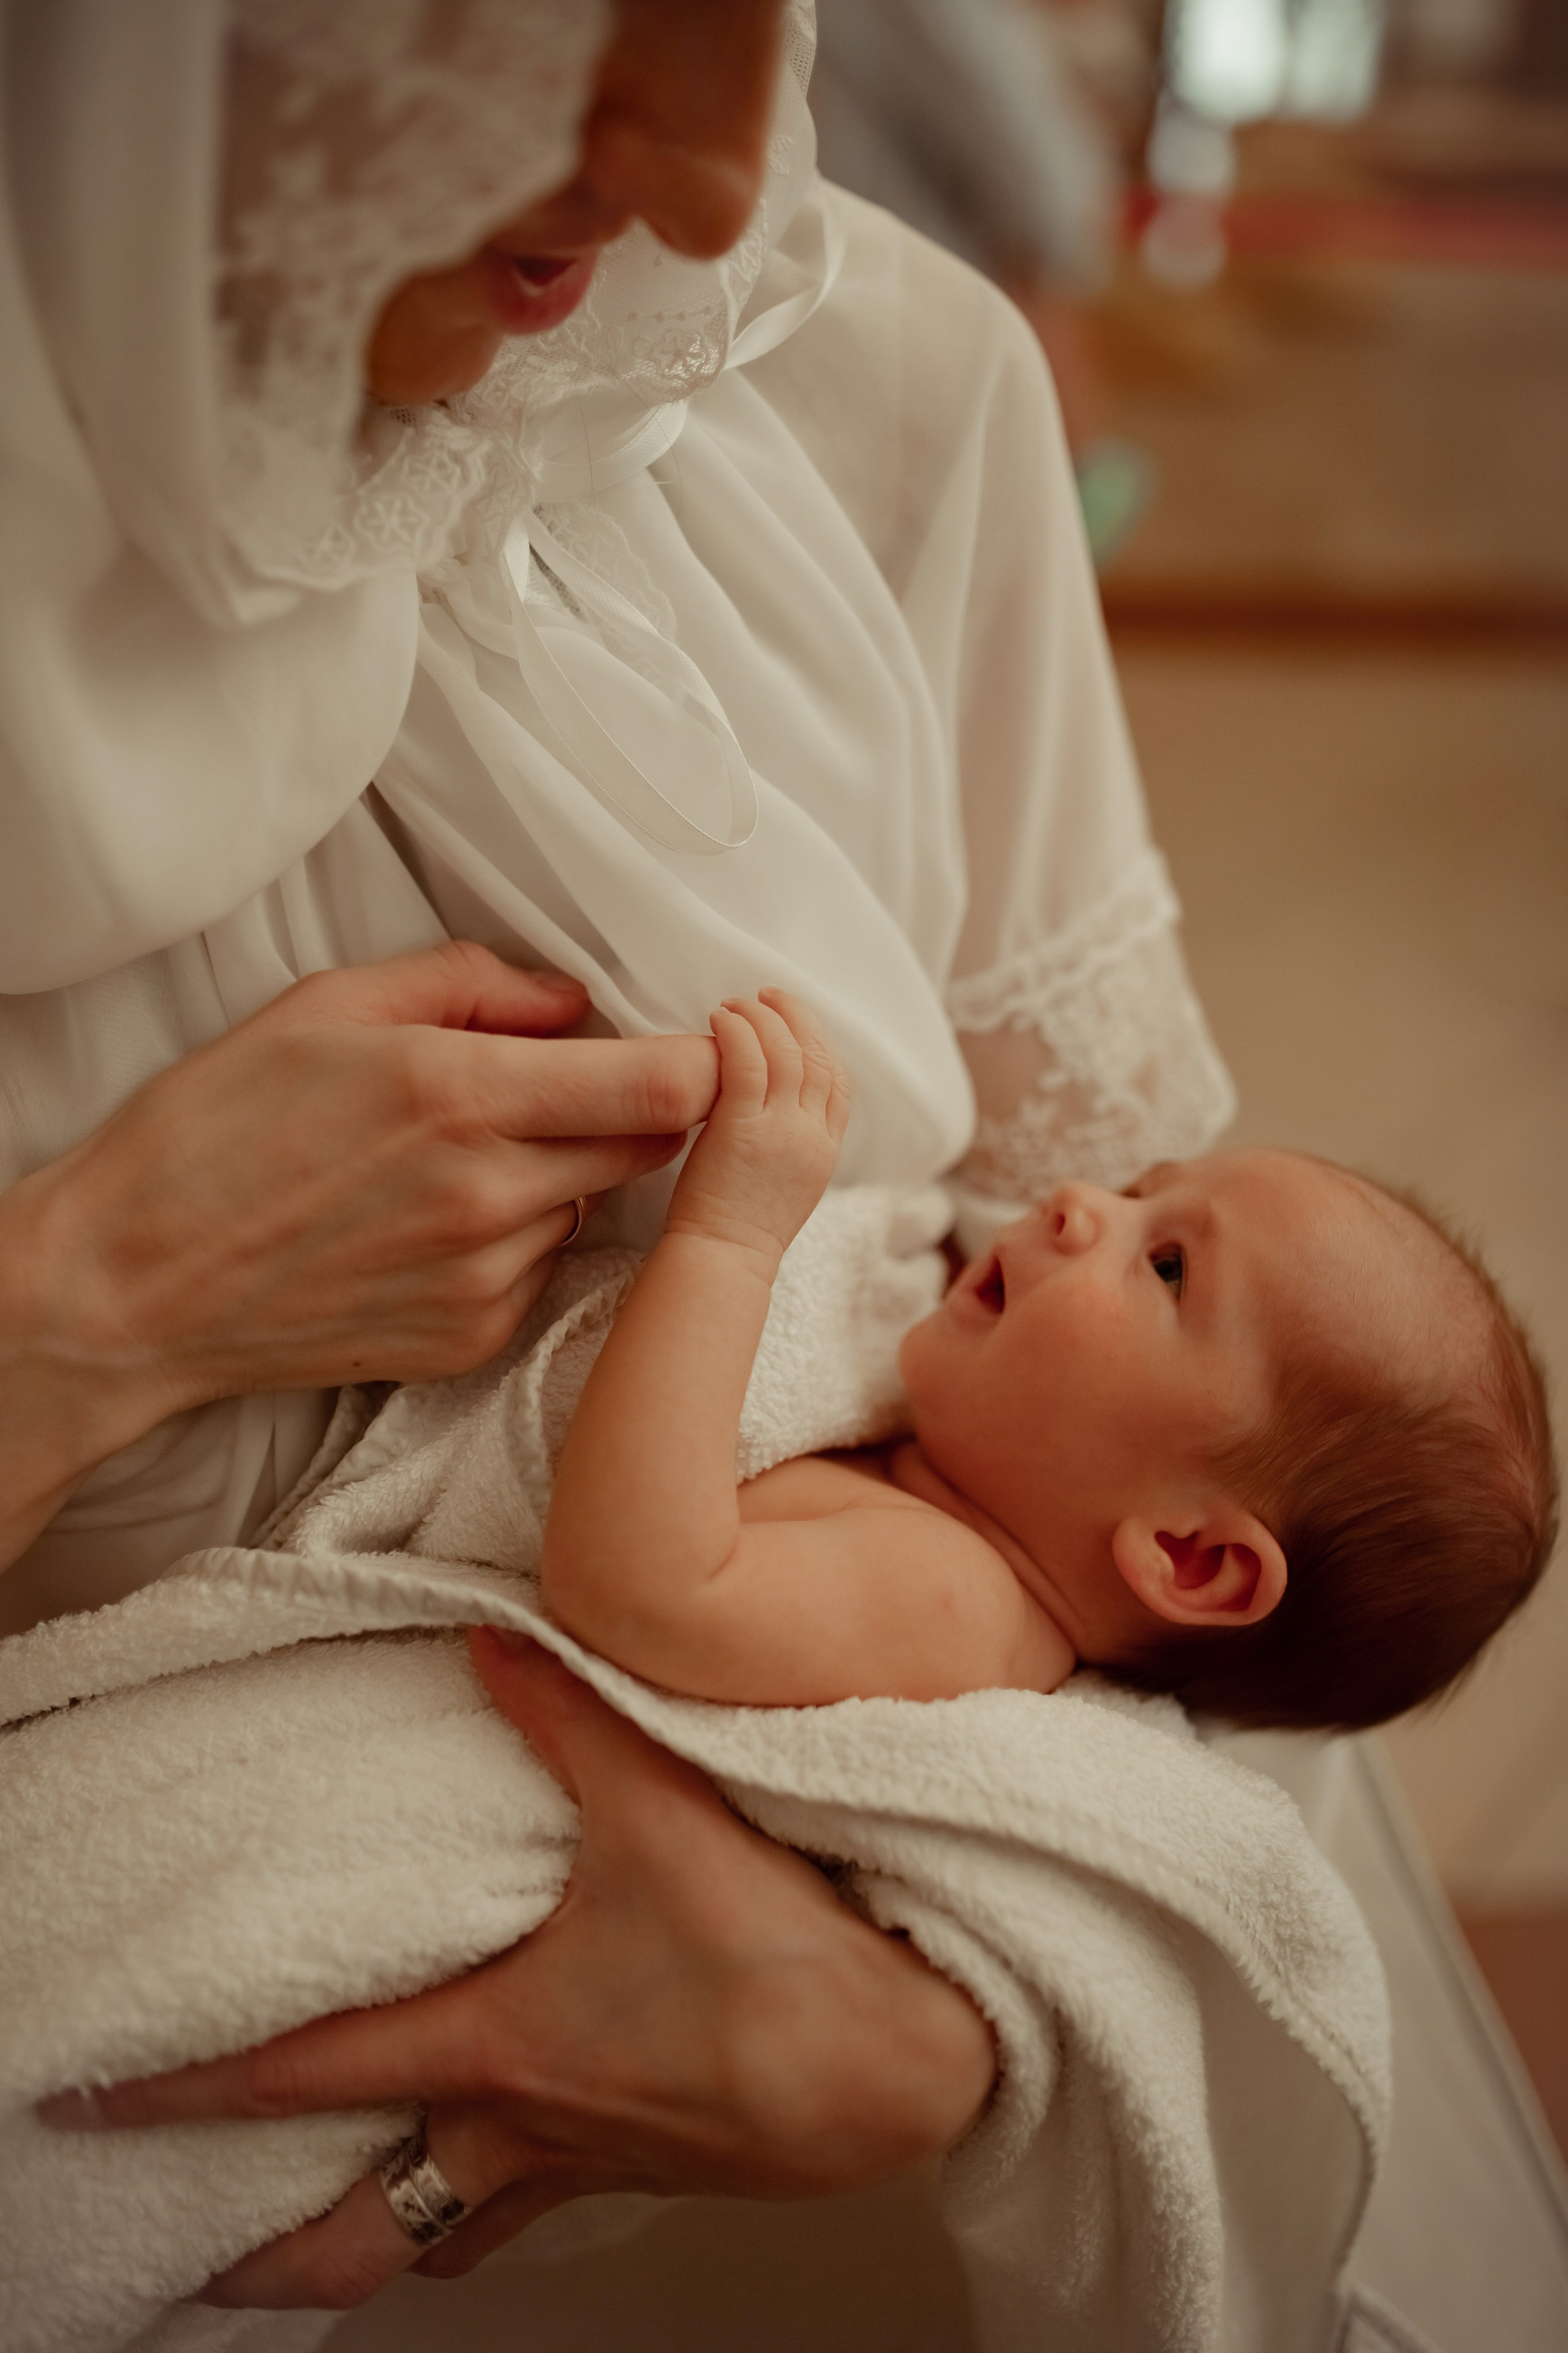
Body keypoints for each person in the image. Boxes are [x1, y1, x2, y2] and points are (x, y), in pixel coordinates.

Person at [4, 0, 1233, 2312]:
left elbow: (1185, 1458)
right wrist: (95, 1302)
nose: (693, 175)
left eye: (739, 14)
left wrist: (910, 2019)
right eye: (527, 28)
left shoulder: (861, 379)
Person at [545, 991, 1556, 1729]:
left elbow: (640, 1588)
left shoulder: (961, 1604)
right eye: (1135, 1189)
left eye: (1166, 1266)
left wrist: (728, 1238)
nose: (1078, 1199)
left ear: (1190, 1556)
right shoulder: (943, 1467)